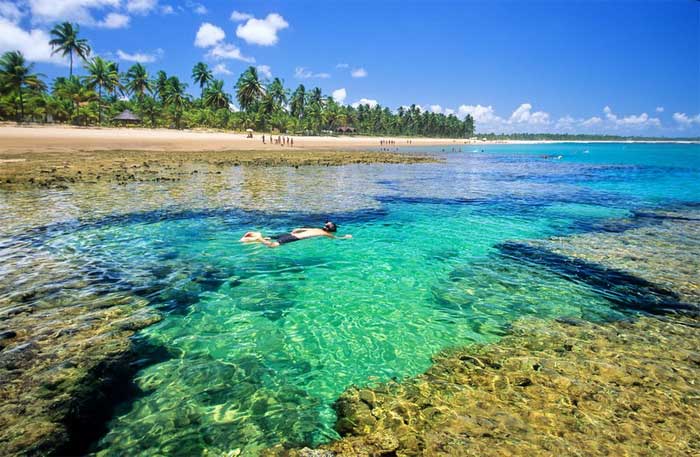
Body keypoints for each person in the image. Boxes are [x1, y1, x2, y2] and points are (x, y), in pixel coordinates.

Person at [240, 221, 352, 248]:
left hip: (289, 233)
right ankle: (258, 236)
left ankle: (249, 238)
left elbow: (298, 229)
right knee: (272, 246)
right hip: (294, 238)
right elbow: (336, 239)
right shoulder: (324, 234)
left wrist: (295, 231)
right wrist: (345, 237)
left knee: (269, 238)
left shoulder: (316, 228)